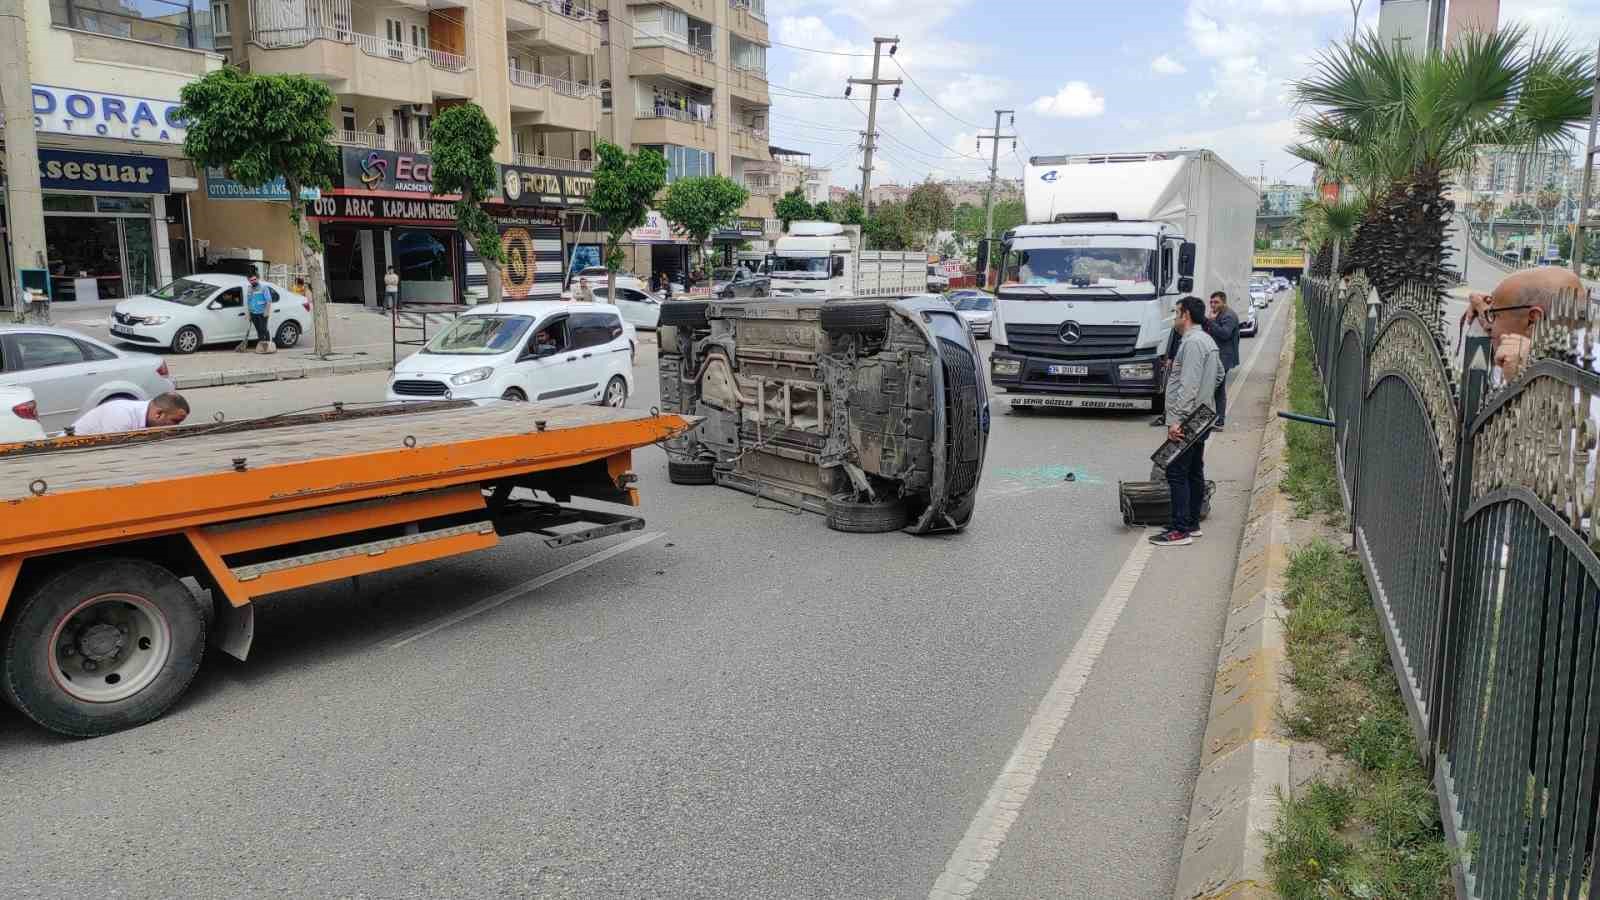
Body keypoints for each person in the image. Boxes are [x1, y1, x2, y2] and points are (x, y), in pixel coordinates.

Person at [1151, 295, 1224, 548]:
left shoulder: (1192, 343)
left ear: (1186, 315)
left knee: (1175, 471)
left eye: (1176, 312)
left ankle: (1180, 530)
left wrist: (1177, 421)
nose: (1174, 317)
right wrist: (1206, 396)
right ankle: (1192, 523)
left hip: (1189, 418)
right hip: (1202, 414)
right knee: (1193, 470)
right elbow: (1219, 375)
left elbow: (1188, 385)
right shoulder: (1206, 340)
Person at [1203, 291, 1241, 430]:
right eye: (1211, 302)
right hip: (1216, 356)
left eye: (1216, 302)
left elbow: (1225, 334)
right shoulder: (1216, 314)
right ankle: (1216, 419)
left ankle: (1219, 420)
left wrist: (1211, 322)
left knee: (1217, 389)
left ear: (1224, 302)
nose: (1213, 304)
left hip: (1223, 358)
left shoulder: (1229, 316)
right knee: (1214, 388)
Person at [70, 392, 190, 437]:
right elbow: (113, 455)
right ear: (158, 414)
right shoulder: (122, 416)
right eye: (175, 421)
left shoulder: (142, 414)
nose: (176, 427)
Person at [1151, 321, 1183, 427]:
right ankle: (1166, 416)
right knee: (1169, 390)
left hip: (1180, 363)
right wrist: (1169, 358)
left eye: (1178, 313)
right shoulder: (1176, 327)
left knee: (1177, 391)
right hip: (1173, 362)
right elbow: (1172, 342)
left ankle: (1173, 418)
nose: (1176, 318)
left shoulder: (1190, 334)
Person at [239, 272, 274, 354]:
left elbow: (269, 301)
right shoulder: (249, 289)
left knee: (263, 329)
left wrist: (266, 312)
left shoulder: (264, 288)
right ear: (249, 281)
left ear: (257, 279)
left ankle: (268, 346)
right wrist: (249, 314)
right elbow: (249, 302)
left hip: (262, 313)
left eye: (255, 279)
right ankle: (262, 347)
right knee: (259, 330)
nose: (254, 281)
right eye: (251, 280)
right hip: (253, 313)